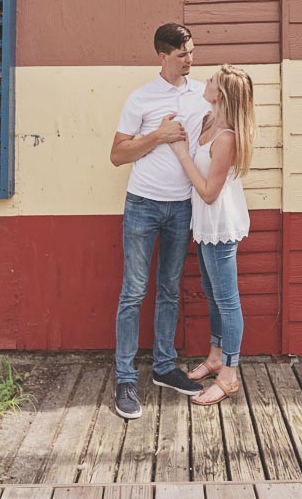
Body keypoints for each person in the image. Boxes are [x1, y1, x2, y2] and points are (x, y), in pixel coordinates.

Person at [109, 23, 209, 419]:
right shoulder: (141, 99)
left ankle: (165, 367)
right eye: (183, 53)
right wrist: (160, 135)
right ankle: (125, 378)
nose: (190, 59)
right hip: (143, 205)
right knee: (134, 292)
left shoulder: (202, 93)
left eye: (192, 52)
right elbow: (118, 155)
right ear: (163, 57)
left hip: (182, 205)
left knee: (169, 289)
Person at [168, 64, 256, 406]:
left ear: (219, 94)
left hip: (220, 225)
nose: (205, 82)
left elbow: (208, 192)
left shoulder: (227, 138)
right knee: (211, 292)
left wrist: (181, 153)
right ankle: (217, 355)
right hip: (205, 226)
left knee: (227, 300)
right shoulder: (209, 122)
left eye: (211, 82)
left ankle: (230, 374)